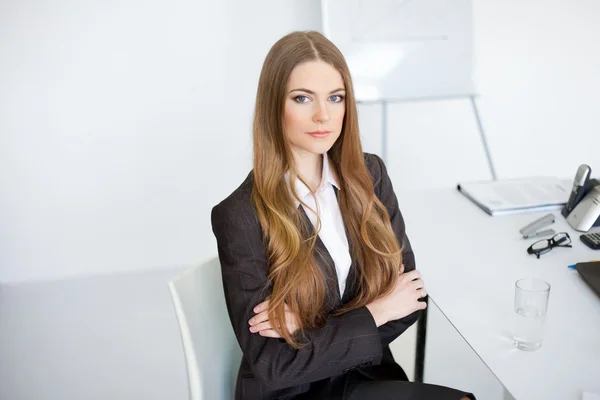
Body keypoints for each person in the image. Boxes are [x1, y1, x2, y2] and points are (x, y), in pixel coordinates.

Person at [211, 31, 475, 400]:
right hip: (293, 393)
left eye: (335, 98)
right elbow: (274, 364)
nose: (323, 115)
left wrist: (307, 326)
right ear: (274, 105)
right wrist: (375, 311)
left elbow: (410, 300)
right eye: (302, 98)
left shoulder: (370, 177)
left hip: (365, 375)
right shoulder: (239, 216)